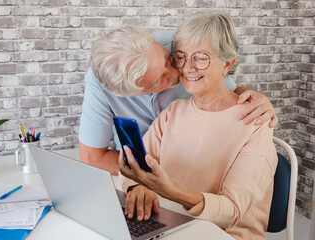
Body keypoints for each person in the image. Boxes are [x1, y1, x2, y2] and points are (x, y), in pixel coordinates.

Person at [119, 12, 278, 240]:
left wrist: (168, 191)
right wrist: (137, 187)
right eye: (181, 56)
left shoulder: (255, 123)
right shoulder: (174, 111)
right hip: (171, 228)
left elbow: (231, 212)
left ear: (228, 64)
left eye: (201, 58)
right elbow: (135, 166)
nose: (188, 68)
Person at [79, 25, 278, 175]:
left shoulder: (180, 46)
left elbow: (226, 88)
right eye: (159, 80)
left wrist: (258, 98)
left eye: (169, 60)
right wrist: (147, 181)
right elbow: (93, 158)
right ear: (132, 92)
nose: (177, 72)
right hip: (139, 174)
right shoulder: (102, 82)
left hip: (198, 174)